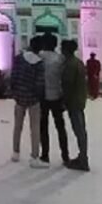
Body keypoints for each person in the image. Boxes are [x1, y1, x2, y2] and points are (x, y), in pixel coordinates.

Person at [10, 37, 46, 168]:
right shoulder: (39, 63)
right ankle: (34, 156)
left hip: (19, 96)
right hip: (33, 99)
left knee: (17, 126)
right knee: (35, 127)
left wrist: (15, 92)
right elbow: (39, 83)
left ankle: (15, 152)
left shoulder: (19, 59)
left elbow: (13, 76)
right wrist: (39, 96)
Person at [38, 34, 69, 165]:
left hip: (43, 96)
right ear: (55, 45)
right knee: (60, 127)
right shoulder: (61, 59)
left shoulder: (40, 57)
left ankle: (45, 154)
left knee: (43, 127)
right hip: (57, 96)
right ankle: (65, 155)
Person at [61, 39, 90, 172]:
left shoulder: (70, 65)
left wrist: (64, 101)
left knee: (79, 131)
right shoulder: (78, 62)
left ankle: (83, 160)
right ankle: (82, 156)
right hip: (80, 99)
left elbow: (67, 85)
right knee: (81, 130)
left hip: (74, 101)